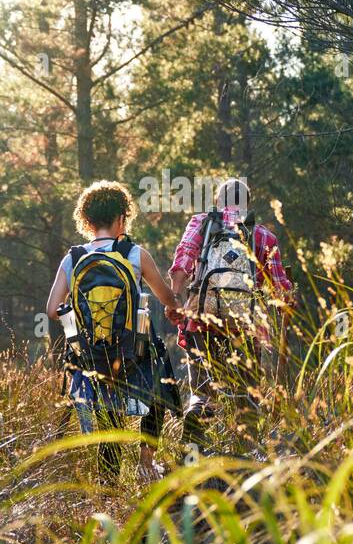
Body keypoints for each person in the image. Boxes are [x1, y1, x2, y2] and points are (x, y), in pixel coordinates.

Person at [47, 181, 182, 480]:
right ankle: (146, 464)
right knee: (158, 382)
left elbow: (52, 309)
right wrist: (174, 308)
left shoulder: (74, 257)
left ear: (88, 220)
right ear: (123, 217)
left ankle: (107, 482)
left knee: (107, 413)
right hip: (134, 352)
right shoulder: (135, 254)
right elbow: (166, 298)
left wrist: (83, 328)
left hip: (94, 356)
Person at [168, 178, 293, 453]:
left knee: (202, 389)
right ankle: (244, 460)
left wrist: (176, 302)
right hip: (244, 328)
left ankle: (193, 452)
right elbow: (281, 291)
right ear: (247, 205)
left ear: (218, 201)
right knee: (246, 395)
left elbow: (182, 264)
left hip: (200, 322)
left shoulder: (201, 223)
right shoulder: (263, 235)